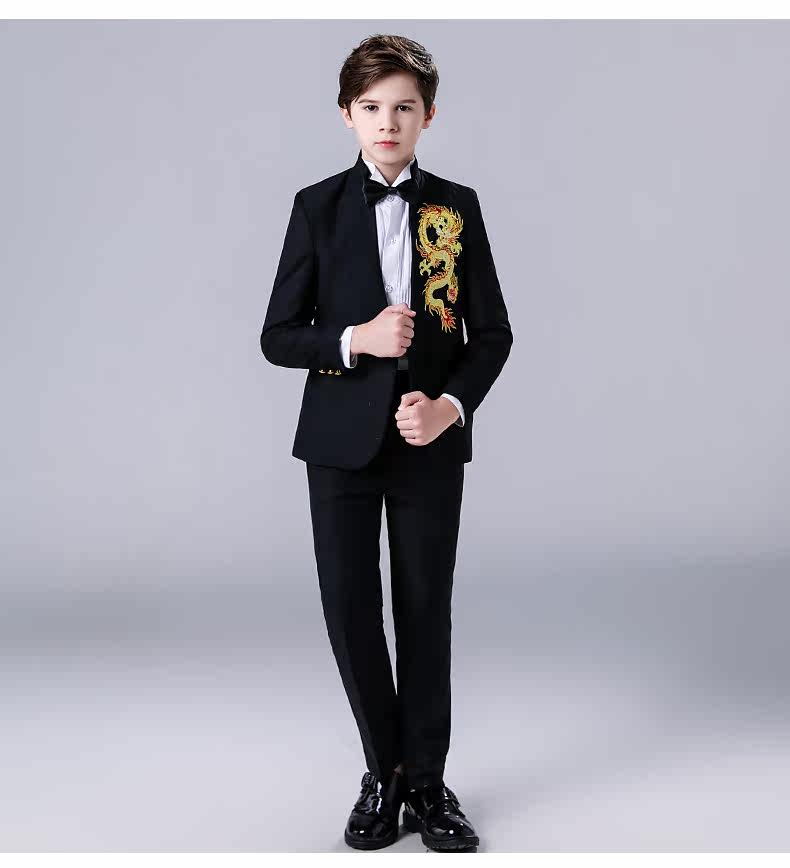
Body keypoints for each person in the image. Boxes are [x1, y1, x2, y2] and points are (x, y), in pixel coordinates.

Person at [260, 33, 513, 851]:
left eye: (404, 107)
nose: (388, 122)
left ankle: (430, 783)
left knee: (424, 610)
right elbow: (277, 335)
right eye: (371, 107)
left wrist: (450, 407)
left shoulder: (455, 208)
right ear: (347, 115)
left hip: (426, 439)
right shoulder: (317, 207)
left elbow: (493, 334)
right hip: (339, 443)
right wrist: (354, 339)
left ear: (429, 115)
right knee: (349, 609)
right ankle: (387, 772)